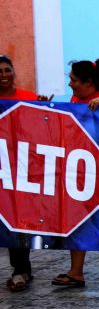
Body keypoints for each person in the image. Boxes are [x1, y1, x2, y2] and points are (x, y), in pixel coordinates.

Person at [52, 59, 99, 287]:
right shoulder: (75, 101)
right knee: (79, 215)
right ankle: (76, 272)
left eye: (73, 79)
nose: (70, 84)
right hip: (84, 165)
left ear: (88, 82)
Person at [0, 55, 38, 291]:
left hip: (20, 169)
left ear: (14, 72)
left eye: (7, 70)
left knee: (17, 219)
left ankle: (21, 268)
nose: (3, 75)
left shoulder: (30, 99)